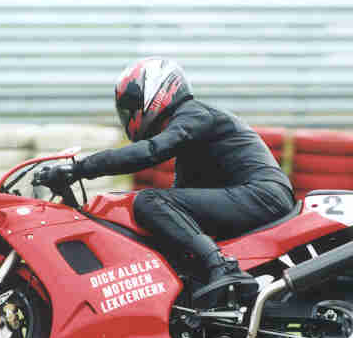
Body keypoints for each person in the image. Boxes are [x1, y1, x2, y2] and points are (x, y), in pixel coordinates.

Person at [34, 57, 295, 307]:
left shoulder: (195, 114)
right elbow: (178, 201)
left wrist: (79, 168)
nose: (129, 115)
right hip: (251, 196)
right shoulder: (191, 140)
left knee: (149, 201)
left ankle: (223, 267)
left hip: (262, 194)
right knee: (162, 219)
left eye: (132, 105)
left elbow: (151, 151)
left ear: (159, 89)